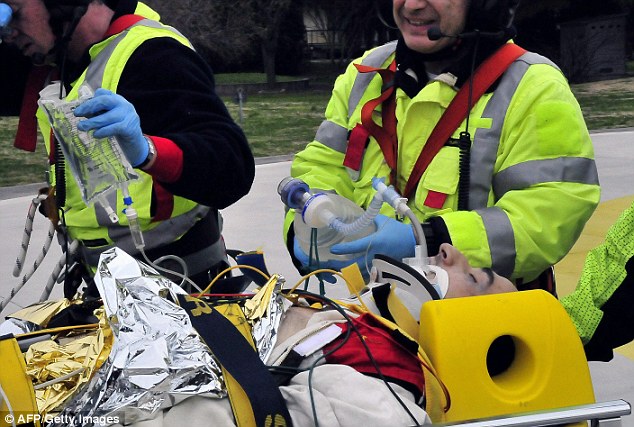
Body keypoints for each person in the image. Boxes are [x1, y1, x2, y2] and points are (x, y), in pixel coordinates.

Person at [284, 0, 600, 290]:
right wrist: (304, 224)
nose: (413, 5)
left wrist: (431, 239)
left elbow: (552, 210)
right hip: (380, 311)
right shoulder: (366, 72)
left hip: (484, 320)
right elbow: (322, 163)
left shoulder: (534, 86)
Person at [0, 0, 255, 292]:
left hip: (184, 287)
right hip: (102, 287)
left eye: (15, 13)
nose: (10, 32)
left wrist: (148, 152)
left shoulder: (154, 53)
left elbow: (232, 166)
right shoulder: (55, 60)